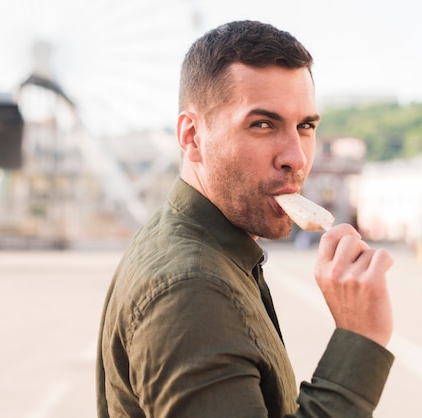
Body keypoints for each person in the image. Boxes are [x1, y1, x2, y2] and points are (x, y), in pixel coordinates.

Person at [96, 20, 394, 417]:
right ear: (192, 136)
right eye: (262, 125)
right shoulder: (190, 292)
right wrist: (360, 338)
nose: (296, 157)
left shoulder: (199, 244)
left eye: (305, 126)